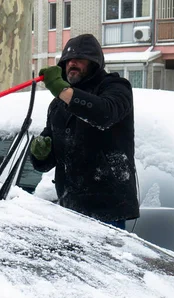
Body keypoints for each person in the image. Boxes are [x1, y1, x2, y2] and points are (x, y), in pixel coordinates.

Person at [30, 34, 139, 230]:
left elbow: (104, 114)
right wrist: (40, 154)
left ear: (94, 63)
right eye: (68, 60)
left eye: (79, 60)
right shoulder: (58, 104)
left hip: (106, 210)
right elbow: (50, 158)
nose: (72, 64)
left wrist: (63, 91)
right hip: (69, 209)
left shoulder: (116, 87)